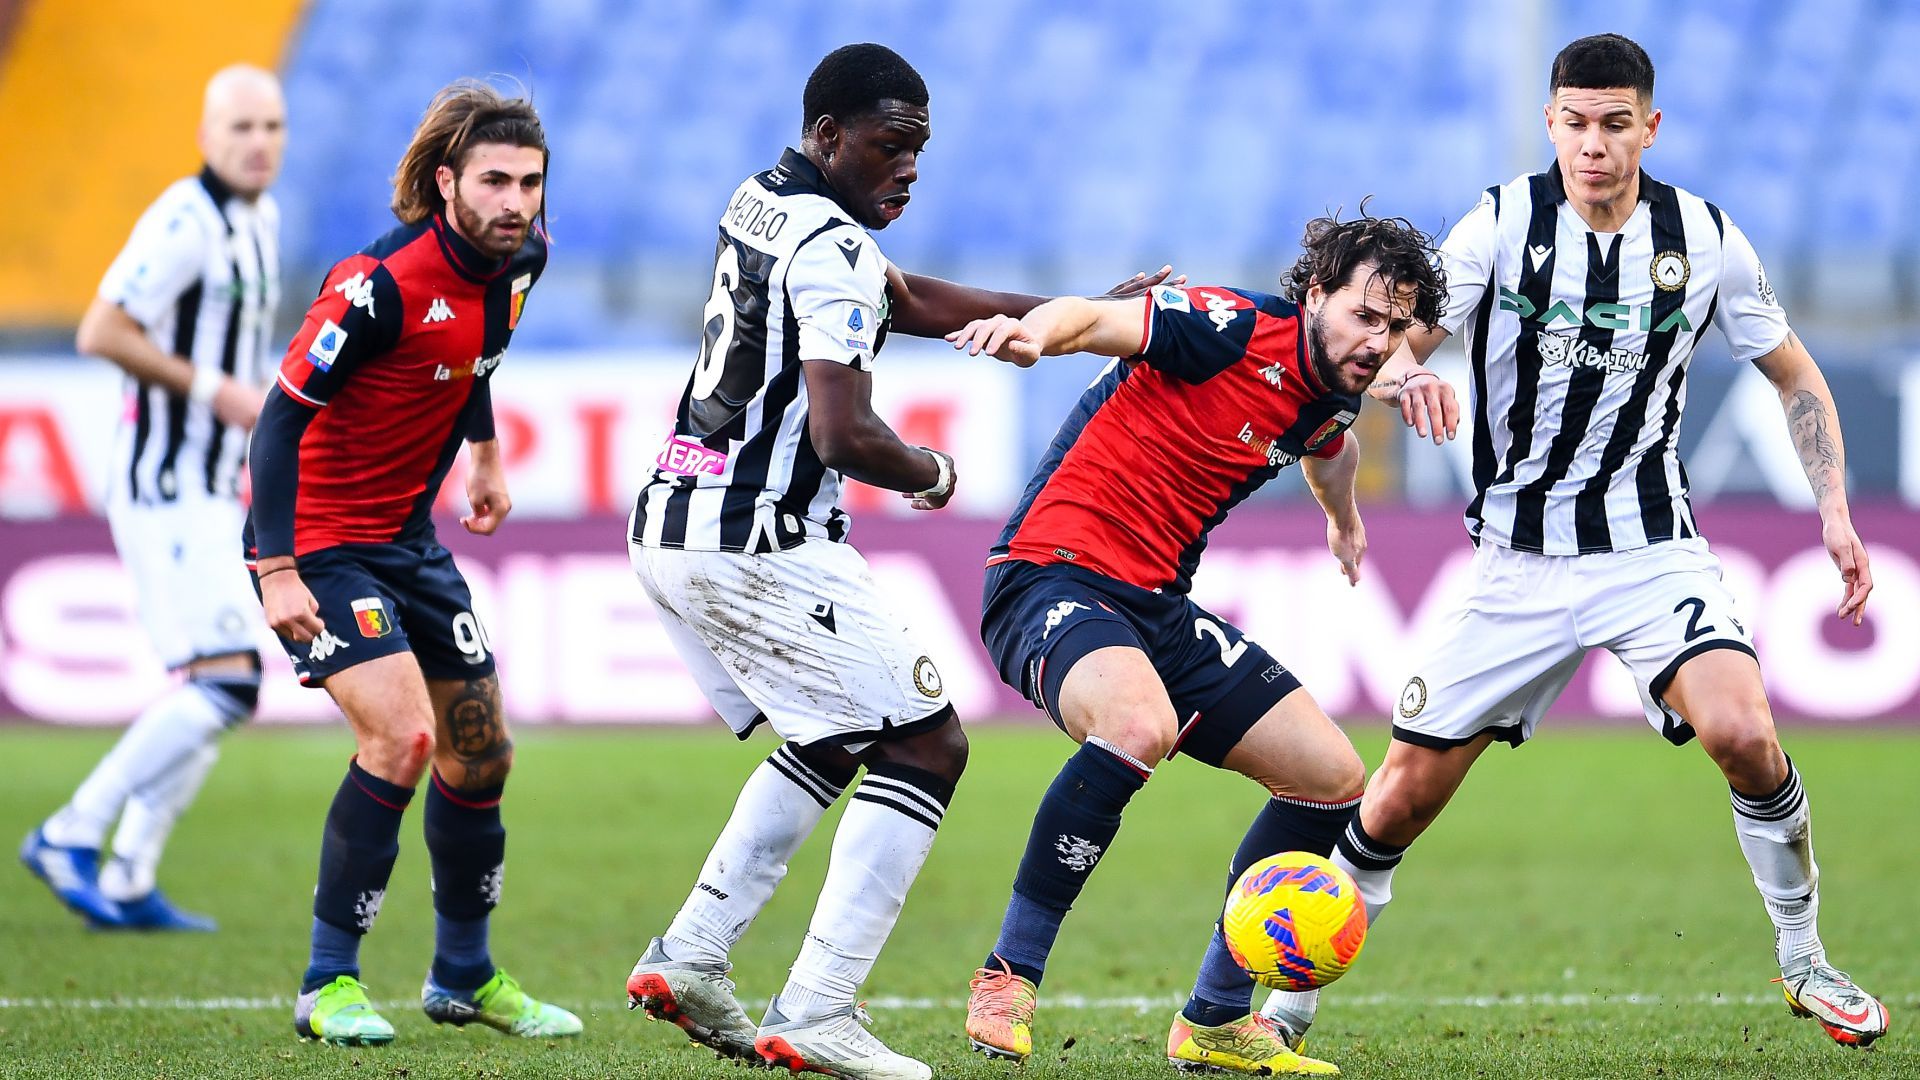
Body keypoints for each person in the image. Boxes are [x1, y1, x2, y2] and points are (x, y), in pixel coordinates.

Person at [1280, 33, 1888, 1051]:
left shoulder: (1705, 240)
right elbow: (1386, 348)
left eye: (1615, 124)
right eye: (1574, 123)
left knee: (1745, 733)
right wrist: (1401, 376)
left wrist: (1833, 506)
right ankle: (1285, 1014)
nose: (1593, 145)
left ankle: (1804, 958)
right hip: (1513, 565)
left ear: (1650, 126)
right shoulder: (1496, 229)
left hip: (1651, 551)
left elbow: (1796, 375)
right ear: (1551, 122)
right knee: (1397, 800)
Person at [622, 43, 1175, 1080]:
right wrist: (928, 470)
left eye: (919, 149)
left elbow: (909, 297)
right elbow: (842, 432)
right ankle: (820, 1006)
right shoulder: (829, 247)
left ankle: (693, 956)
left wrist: (1068, 314)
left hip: (674, 524)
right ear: (830, 136)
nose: (909, 168)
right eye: (890, 146)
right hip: (760, 540)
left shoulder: (766, 197)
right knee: (927, 747)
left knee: (837, 738)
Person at [949, 212, 1447, 1077]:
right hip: (1048, 575)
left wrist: (1345, 519)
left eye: (1397, 326)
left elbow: (1327, 448)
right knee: (1139, 725)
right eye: (1367, 316)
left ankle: (1214, 1020)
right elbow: (1093, 320)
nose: (1381, 341)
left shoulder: (1330, 393)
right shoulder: (1228, 326)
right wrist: (1033, 335)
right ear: (1317, 295)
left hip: (1156, 607)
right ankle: (1009, 972)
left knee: (1331, 780)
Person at [245, 80, 580, 1047]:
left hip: (408, 541)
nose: (516, 201)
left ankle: (464, 976)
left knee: (483, 754)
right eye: (495, 181)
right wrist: (277, 570)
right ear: (447, 183)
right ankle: (327, 983)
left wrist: (483, 452)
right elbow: (278, 422)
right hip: (317, 542)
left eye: (530, 182)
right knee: (402, 740)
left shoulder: (527, 259)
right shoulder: (378, 283)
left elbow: (477, 358)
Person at [22, 64, 285, 932]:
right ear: (207, 135)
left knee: (217, 679)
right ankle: (72, 833)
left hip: (212, 484)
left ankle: (132, 876)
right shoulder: (184, 219)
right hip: (163, 485)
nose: (258, 143)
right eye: (241, 127)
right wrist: (213, 391)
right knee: (228, 683)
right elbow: (100, 328)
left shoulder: (261, 219)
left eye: (272, 127)